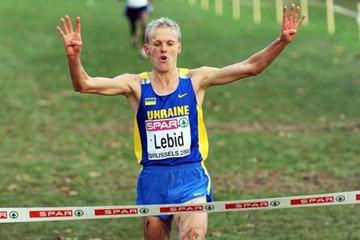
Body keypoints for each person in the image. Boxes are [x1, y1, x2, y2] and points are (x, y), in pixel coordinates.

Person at [56, 4, 304, 240]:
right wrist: (73, 57)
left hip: (191, 177)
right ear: (148, 49)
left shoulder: (196, 80)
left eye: (169, 43)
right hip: (153, 178)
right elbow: (84, 84)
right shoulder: (135, 85)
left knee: (192, 235)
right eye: (157, 44)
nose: (163, 49)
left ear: (178, 48)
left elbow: (251, 67)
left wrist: (281, 41)